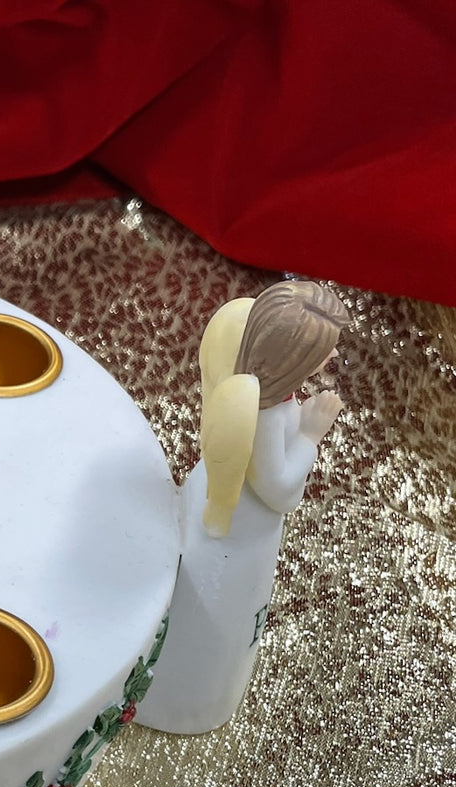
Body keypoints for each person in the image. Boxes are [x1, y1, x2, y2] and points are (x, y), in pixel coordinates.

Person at [137, 281, 350, 734]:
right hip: (239, 534)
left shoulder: (259, 393)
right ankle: (185, 703)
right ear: (292, 359)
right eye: (323, 351)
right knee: (214, 621)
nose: (332, 357)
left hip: (222, 509)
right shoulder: (265, 415)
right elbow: (279, 490)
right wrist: (310, 436)